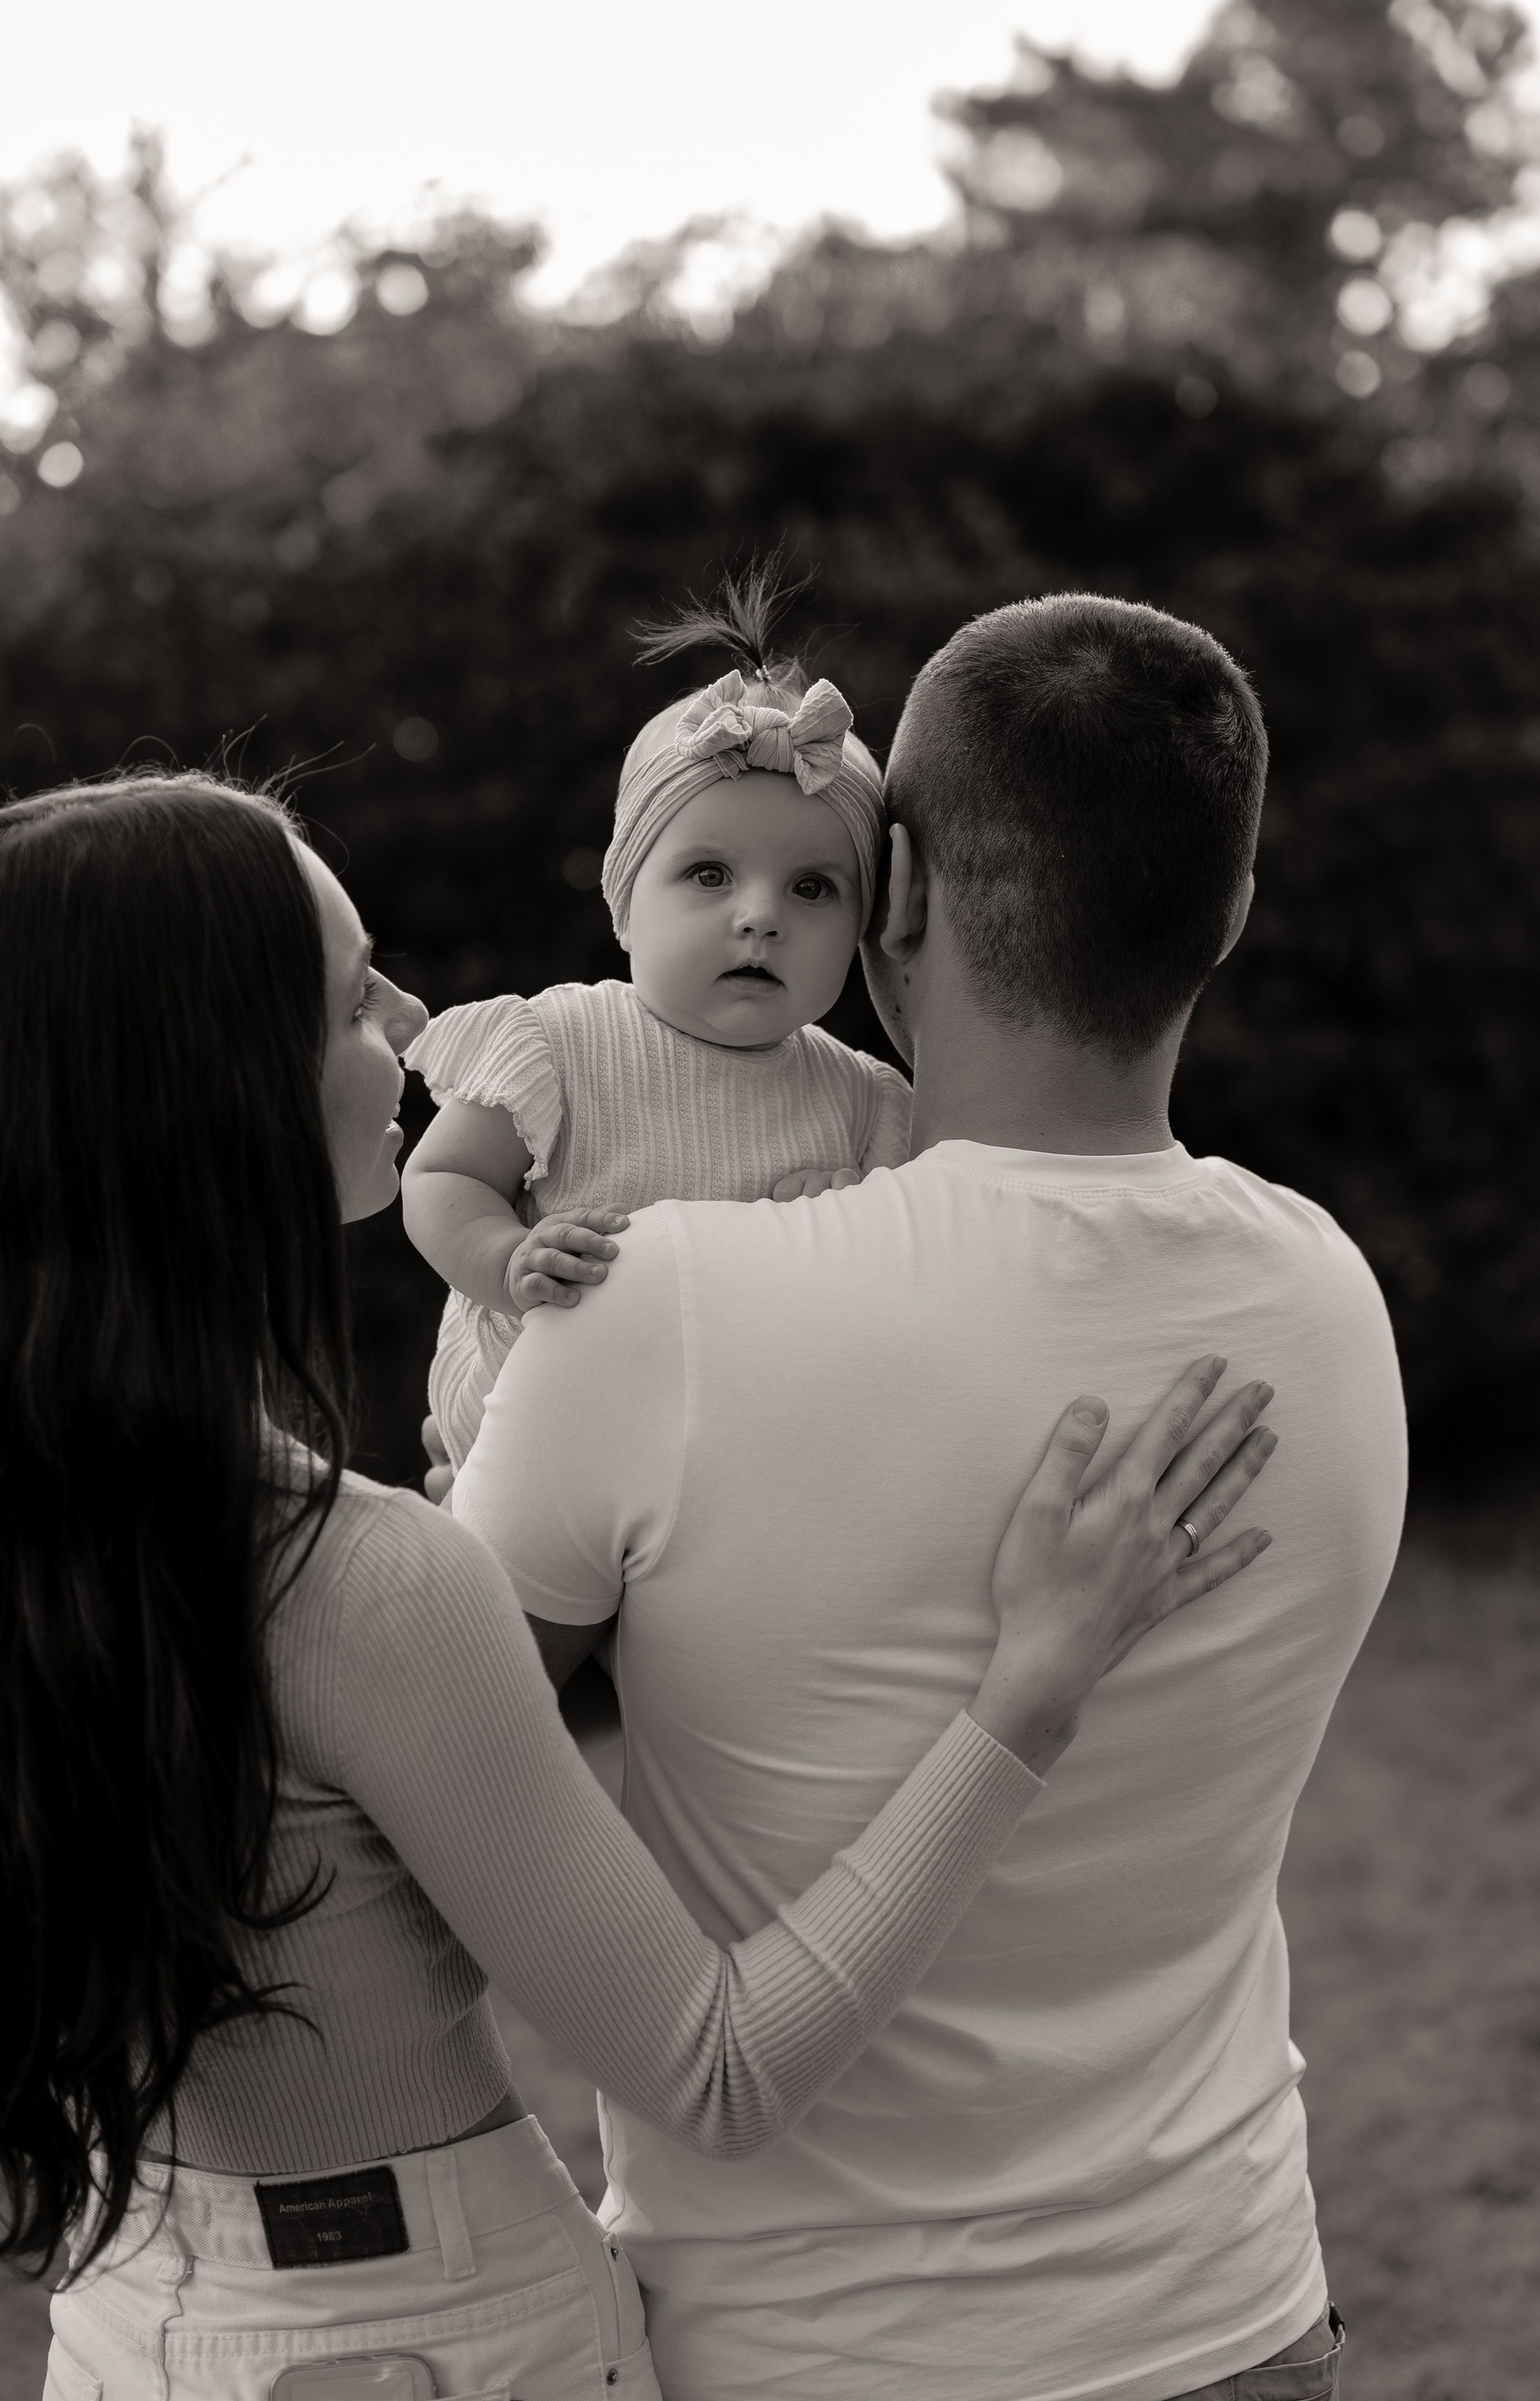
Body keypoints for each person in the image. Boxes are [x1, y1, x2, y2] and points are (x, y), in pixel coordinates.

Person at [0, 772, 1278, 2401]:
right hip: (444, 2341)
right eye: (353, 997)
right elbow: (719, 2067)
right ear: (211, 1091)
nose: (413, 1023)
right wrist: (1030, 1686)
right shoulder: (356, 1586)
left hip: (130, 2329)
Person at [453, 595, 1409, 2401]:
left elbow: (403, 1792)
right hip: (1235, 2318)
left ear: (893, 898)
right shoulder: (1327, 1300)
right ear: (1228, 915)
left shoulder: (656, 1305)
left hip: (813, 2355)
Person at [401, 566, 910, 1473]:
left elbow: (910, 1293)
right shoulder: (559, 1044)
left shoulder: (865, 1104)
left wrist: (849, 1234)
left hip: (742, 1457)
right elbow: (442, 1178)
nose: (760, 916)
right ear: (625, 902)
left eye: (812, 888)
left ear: (862, 928)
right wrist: (508, 1257)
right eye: (710, 874)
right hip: (541, 1428)